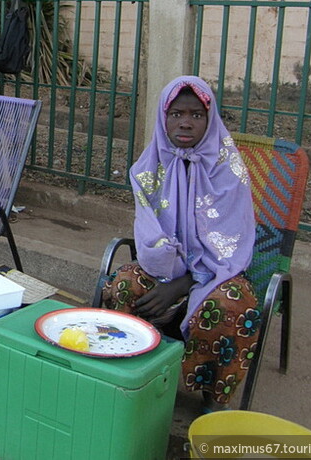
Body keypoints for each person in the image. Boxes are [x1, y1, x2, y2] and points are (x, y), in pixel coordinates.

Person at [102, 76, 259, 412]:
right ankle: (132, 375)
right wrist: (168, 276)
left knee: (233, 307)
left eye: (196, 115)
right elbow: (149, 233)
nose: (185, 122)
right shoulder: (148, 167)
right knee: (124, 286)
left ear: (209, 118)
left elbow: (231, 245)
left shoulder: (229, 171)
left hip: (218, 273)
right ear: (163, 117)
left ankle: (211, 396)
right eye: (176, 114)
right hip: (164, 267)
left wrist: (184, 284)